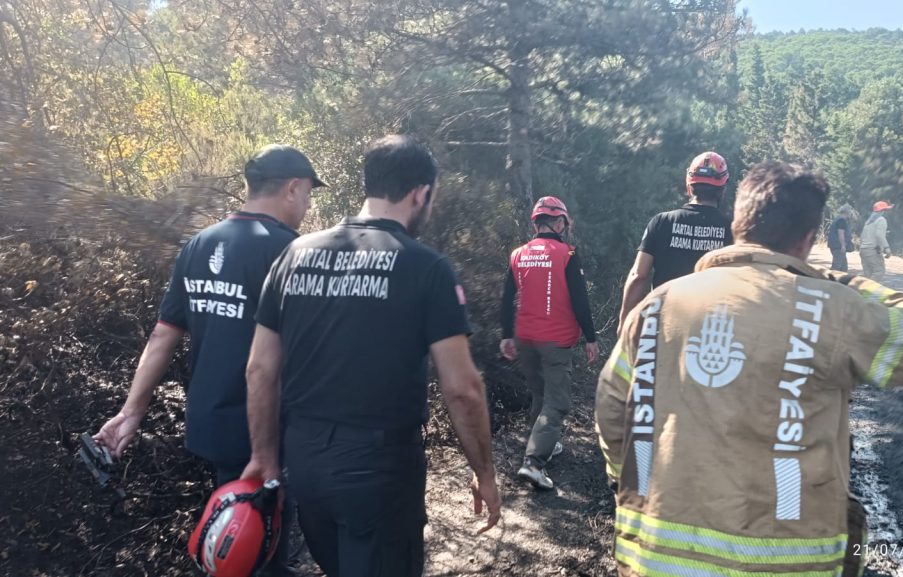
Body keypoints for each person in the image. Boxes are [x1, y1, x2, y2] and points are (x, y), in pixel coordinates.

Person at [595, 162, 903, 577]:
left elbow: (613, 410)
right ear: (809, 238)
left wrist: (628, 479)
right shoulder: (831, 308)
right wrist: (850, 285)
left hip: (654, 558)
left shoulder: (657, 306)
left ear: (738, 223)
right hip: (786, 563)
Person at [241, 135, 501, 577]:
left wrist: (265, 456)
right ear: (421, 193)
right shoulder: (426, 268)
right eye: (431, 198)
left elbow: (260, 368)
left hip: (306, 461)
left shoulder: (294, 254)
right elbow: (463, 390)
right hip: (378, 470)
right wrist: (485, 471)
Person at [94, 144, 323, 577]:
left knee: (241, 543)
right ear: (293, 188)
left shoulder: (199, 244)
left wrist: (131, 411)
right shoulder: (291, 252)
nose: (308, 205)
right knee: (260, 550)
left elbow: (164, 334)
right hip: (267, 432)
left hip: (214, 423)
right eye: (309, 194)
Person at [499, 196, 599, 490]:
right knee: (557, 403)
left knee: (540, 394)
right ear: (559, 223)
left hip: (525, 337)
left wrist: (506, 334)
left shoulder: (518, 254)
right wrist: (591, 338)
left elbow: (506, 299)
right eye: (564, 224)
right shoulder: (567, 253)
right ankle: (534, 463)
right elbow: (580, 300)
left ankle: (545, 443)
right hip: (555, 339)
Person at [618, 151, 733, 333]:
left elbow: (638, 276)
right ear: (722, 189)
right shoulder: (732, 229)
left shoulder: (661, 222)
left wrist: (625, 322)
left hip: (663, 327)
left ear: (689, 185)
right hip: (709, 331)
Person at [860, 200, 893, 279]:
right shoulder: (881, 220)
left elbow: (862, 236)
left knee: (867, 275)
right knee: (879, 271)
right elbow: (879, 235)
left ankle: (862, 290)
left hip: (863, 250)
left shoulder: (868, 221)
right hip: (872, 251)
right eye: (886, 210)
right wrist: (887, 248)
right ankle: (868, 291)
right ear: (883, 211)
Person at [826, 204, 855, 271]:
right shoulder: (841, 221)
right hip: (838, 247)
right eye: (850, 211)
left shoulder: (837, 219)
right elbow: (840, 233)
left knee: (843, 268)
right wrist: (843, 245)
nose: (851, 213)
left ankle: (840, 280)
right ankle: (829, 280)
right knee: (836, 267)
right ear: (847, 212)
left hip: (836, 246)